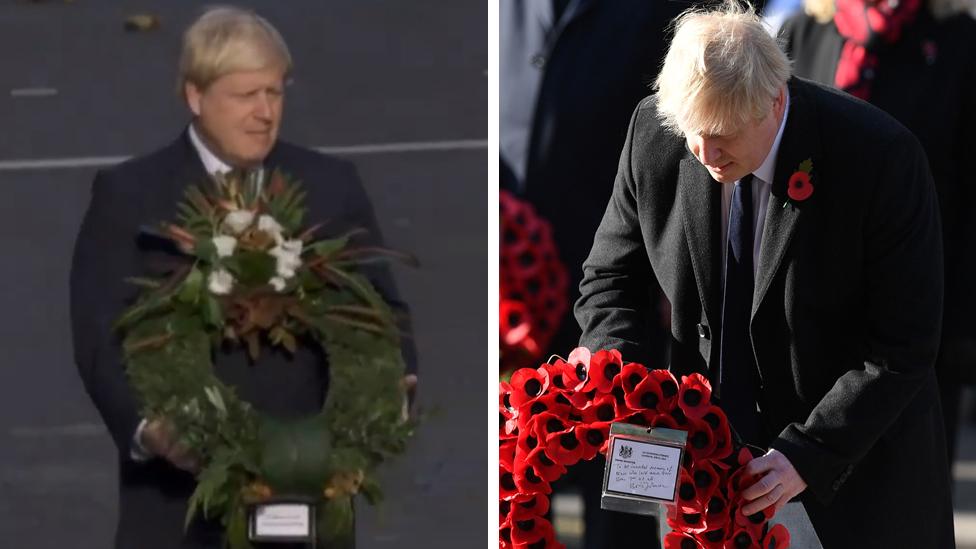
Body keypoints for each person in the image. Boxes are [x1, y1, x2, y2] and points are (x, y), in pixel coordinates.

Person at [574, 2, 954, 548]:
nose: (705, 152)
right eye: (692, 131)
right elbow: (611, 278)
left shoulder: (879, 158)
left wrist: (809, 454)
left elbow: (904, 344)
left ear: (776, 101)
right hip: (704, 474)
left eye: (722, 132)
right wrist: (622, 372)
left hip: (850, 480)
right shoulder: (655, 134)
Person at [69, 7, 416, 548]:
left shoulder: (330, 186)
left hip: (309, 495)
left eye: (274, 93)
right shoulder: (131, 197)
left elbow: (381, 313)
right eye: (245, 95)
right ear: (195, 96)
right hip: (175, 508)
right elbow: (99, 337)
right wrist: (148, 428)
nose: (264, 113)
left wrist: (390, 391)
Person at [779, 0, 976, 466]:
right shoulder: (802, 33)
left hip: (917, 307)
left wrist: (965, 318)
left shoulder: (958, 40)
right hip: (807, 302)